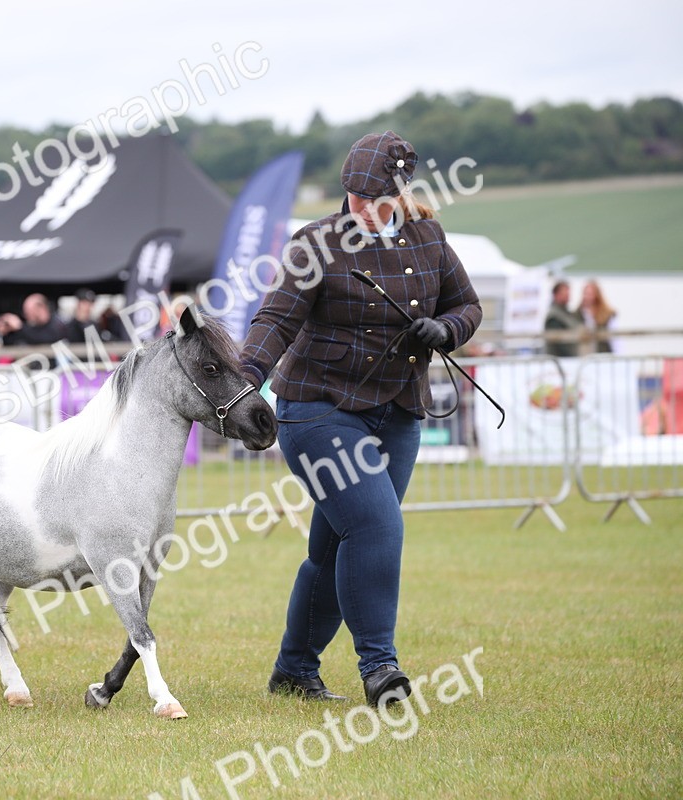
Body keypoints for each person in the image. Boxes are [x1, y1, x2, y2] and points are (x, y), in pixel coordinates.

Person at [238, 131, 482, 706]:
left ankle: (294, 671)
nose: (359, 209)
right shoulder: (314, 243)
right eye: (352, 196)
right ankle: (380, 668)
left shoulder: (428, 237)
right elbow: (276, 320)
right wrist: (247, 380)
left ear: (400, 192)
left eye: (372, 198)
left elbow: (467, 305)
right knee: (376, 528)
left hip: (397, 413)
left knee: (332, 549)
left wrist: (444, 330)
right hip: (318, 412)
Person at [0, 293, 69, 345]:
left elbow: (45, 340)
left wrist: (20, 326)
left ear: (40, 308)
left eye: (28, 312)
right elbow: (14, 342)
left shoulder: (58, 324)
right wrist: (7, 332)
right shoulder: (31, 327)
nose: (26, 316)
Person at [543, 280, 583, 357]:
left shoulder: (568, 313)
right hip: (560, 360)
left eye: (568, 292)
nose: (568, 295)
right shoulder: (553, 317)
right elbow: (560, 344)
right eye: (564, 292)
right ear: (556, 294)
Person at [577, 279, 616, 354]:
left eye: (590, 294)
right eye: (586, 293)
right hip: (585, 356)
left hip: (604, 354)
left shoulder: (607, 314)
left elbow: (614, 340)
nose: (587, 297)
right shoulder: (578, 314)